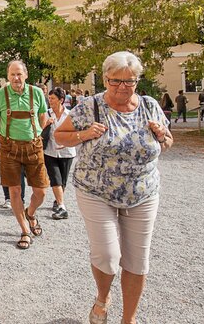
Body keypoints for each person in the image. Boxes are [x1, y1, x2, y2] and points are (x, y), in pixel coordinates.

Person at [53, 51, 172, 324]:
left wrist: (162, 135)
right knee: (108, 255)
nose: (121, 87)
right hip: (96, 191)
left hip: (142, 192)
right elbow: (60, 136)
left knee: (137, 260)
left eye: (129, 81)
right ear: (105, 79)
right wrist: (85, 134)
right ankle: (102, 298)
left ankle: (128, 320)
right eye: (114, 81)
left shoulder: (150, 106)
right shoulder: (89, 106)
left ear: (137, 80)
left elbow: (167, 143)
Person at [0, 60, 49, 251]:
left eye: (19, 74)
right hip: (9, 148)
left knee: (41, 191)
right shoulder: (0, 95)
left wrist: (36, 132)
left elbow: (43, 117)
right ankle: (24, 230)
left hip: (33, 146)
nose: (16, 78)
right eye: (12, 74)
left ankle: (30, 213)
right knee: (15, 191)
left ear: (26, 75)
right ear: (8, 76)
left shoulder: (36, 93)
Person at [43, 87, 75, 221]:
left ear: (61, 100)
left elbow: (75, 133)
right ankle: (62, 206)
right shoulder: (46, 114)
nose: (50, 101)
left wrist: (67, 143)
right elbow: (39, 131)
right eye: (49, 98)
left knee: (63, 180)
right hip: (49, 151)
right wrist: (46, 124)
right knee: (55, 178)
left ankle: (58, 200)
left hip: (67, 152)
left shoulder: (70, 115)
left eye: (53, 99)